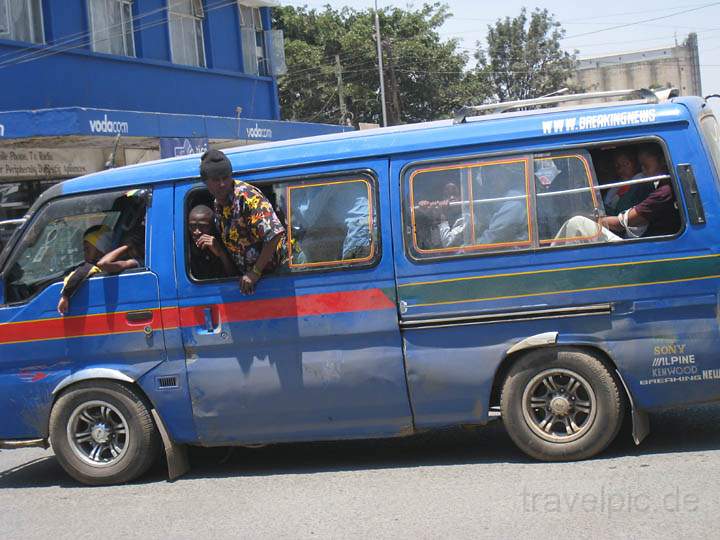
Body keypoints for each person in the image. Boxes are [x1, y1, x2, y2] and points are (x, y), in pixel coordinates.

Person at [199, 149, 286, 294]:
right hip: (254, 281)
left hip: (278, 275)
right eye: (216, 180)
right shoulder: (219, 203)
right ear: (206, 182)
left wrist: (255, 272)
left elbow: (275, 234)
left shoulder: (247, 197)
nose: (222, 184)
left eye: (225, 178)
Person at [553, 145, 680, 243]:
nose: (643, 171)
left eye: (646, 166)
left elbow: (622, 224)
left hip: (639, 248)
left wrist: (593, 218)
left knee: (577, 222)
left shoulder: (662, 193)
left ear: (663, 161)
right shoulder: (659, 189)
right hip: (640, 242)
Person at [56, 225, 111, 314]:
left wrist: (65, 296)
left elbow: (79, 275)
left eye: (87, 249)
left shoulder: (92, 266)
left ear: (100, 249)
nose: (85, 253)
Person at [188, 204, 237, 279]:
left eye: (203, 226)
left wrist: (221, 253)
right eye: (192, 226)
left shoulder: (226, 244)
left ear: (213, 227)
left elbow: (234, 277)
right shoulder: (185, 247)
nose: (197, 232)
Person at [603, 149, 653, 216]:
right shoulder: (616, 186)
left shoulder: (641, 182)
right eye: (618, 166)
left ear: (635, 163)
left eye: (626, 164)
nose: (621, 170)